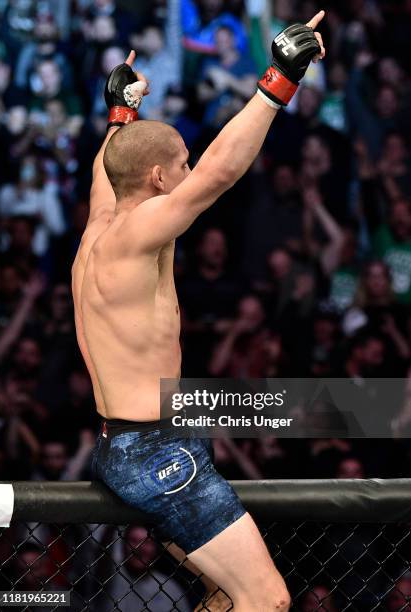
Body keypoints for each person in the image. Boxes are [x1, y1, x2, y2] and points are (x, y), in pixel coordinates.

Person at [72, 12, 325, 611]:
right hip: (155, 451)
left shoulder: (98, 225)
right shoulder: (139, 231)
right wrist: (280, 79)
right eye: (179, 164)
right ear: (159, 178)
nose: (187, 171)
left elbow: (107, 167)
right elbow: (218, 173)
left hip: (123, 441)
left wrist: (121, 111)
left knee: (221, 592)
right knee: (267, 601)